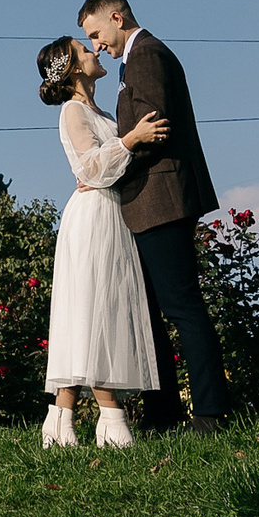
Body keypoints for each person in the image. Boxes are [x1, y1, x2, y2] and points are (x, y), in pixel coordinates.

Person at [80, 0, 231, 431]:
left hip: (161, 200)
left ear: (116, 16)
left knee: (182, 307)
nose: (96, 46)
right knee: (152, 314)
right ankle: (163, 413)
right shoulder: (137, 58)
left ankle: (210, 414)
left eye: (96, 34)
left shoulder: (145, 55)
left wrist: (107, 167)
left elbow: (154, 133)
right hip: (150, 203)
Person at [34, 35, 171, 448]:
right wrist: (131, 140)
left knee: (98, 308)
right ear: (75, 67)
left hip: (111, 212)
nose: (95, 52)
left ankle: (60, 420)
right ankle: (111, 418)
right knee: (94, 309)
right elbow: (93, 167)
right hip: (92, 216)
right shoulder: (73, 111)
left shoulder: (96, 109)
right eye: (85, 49)